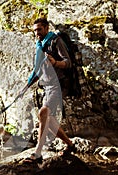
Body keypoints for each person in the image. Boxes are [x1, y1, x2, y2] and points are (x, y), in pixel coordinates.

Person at [23, 18, 76, 164]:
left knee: (43, 113)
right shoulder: (40, 45)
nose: (37, 33)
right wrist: (26, 86)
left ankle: (38, 153)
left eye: (39, 29)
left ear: (46, 28)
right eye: (34, 30)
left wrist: (55, 63)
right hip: (47, 86)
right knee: (48, 118)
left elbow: (68, 62)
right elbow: (37, 70)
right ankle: (70, 145)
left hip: (59, 84)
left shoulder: (55, 41)